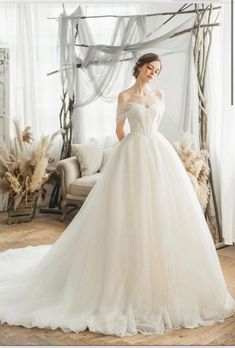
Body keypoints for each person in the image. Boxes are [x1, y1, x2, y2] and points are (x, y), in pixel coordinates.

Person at [0, 53, 234, 338]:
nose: (153, 73)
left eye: (157, 70)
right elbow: (119, 130)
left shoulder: (159, 93)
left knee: (161, 212)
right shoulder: (123, 97)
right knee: (129, 213)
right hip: (134, 151)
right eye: (150, 67)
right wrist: (131, 149)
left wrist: (148, 143)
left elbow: (156, 125)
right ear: (139, 67)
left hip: (159, 153)